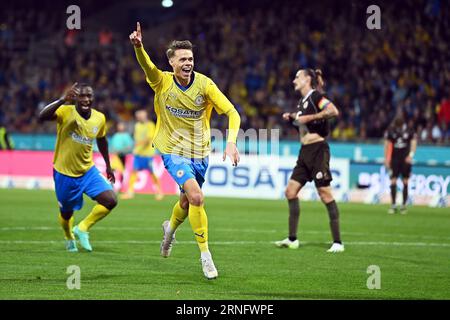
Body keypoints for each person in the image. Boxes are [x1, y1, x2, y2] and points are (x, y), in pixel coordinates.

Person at [129, 22, 240, 279]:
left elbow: (232, 112)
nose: (188, 63)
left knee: (185, 201)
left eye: (191, 58)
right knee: (197, 197)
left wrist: (231, 140)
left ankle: (169, 231)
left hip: (200, 152)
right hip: (171, 149)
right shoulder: (162, 82)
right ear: (172, 63)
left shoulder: (205, 85)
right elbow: (147, 66)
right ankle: (206, 256)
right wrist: (139, 47)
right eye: (182, 59)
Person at [38, 83, 117, 252]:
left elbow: (102, 140)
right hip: (64, 173)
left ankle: (82, 228)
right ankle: (69, 237)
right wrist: (61, 100)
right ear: (74, 97)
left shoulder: (99, 118)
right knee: (66, 214)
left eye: (89, 96)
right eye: (82, 96)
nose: (86, 99)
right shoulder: (66, 111)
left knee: (110, 200)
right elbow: (42, 116)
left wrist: (108, 166)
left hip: (88, 171)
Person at [275, 69, 344, 253]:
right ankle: (292, 239)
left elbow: (332, 111)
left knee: (325, 194)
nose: (294, 80)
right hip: (304, 152)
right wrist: (292, 118)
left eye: (297, 76)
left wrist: (308, 117)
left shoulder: (316, 97)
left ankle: (338, 242)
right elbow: (302, 123)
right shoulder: (302, 102)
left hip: (318, 150)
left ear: (307, 79)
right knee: (290, 192)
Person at [121, 109, 164, 200]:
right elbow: (136, 138)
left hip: (147, 154)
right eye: (138, 116)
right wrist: (136, 146)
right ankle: (130, 192)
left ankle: (159, 192)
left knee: (152, 173)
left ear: (145, 116)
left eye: (141, 116)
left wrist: (137, 145)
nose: (139, 117)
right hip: (138, 154)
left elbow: (149, 139)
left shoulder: (150, 125)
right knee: (134, 172)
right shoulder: (137, 125)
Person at [384, 114, 417, 214]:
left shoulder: (409, 130)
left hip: (405, 159)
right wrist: (387, 159)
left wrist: (410, 155)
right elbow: (387, 145)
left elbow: (414, 142)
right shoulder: (391, 131)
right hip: (394, 159)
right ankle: (394, 205)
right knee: (393, 181)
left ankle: (403, 205)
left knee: (405, 181)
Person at [110, 121, 134, 191]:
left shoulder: (126, 136)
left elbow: (129, 146)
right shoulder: (115, 135)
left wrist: (121, 150)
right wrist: (114, 150)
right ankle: (113, 185)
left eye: (121, 126)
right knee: (113, 170)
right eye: (119, 126)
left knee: (122, 171)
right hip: (116, 156)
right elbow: (112, 145)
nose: (120, 127)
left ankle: (121, 185)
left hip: (123, 156)